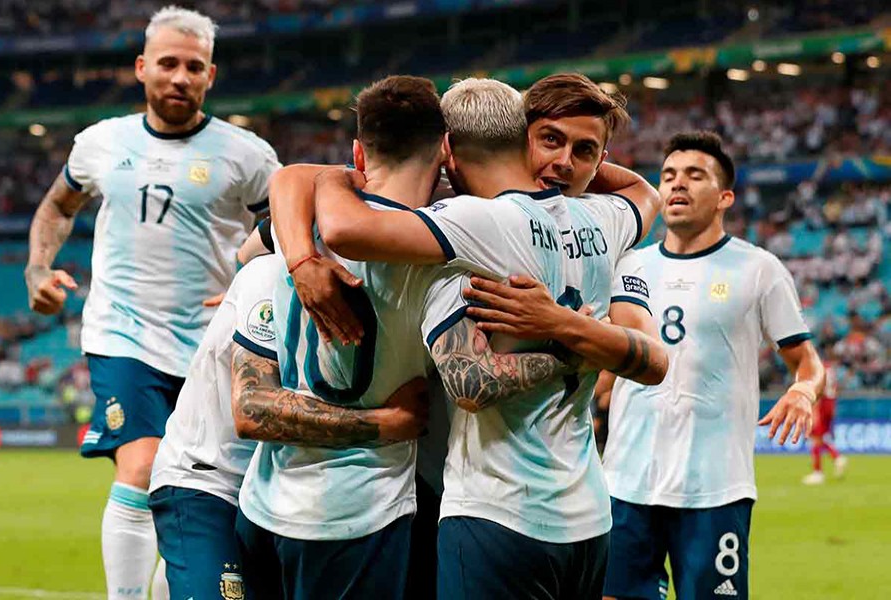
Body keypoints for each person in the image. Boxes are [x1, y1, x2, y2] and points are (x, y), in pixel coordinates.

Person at [305, 77, 667, 599]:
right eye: (551, 141)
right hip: (587, 514)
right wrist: (575, 159)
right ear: (522, 138)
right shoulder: (605, 219)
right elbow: (643, 191)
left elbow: (344, 229)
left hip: (498, 513)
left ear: (445, 146)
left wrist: (333, 178)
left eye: (580, 151)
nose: (564, 161)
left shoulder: (474, 222)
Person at [23, 7, 280, 598]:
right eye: (167, 63)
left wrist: (249, 271)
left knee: (193, 489)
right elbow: (58, 206)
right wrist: (38, 266)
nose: (180, 77)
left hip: (211, 343)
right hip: (123, 334)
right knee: (142, 469)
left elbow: (288, 225)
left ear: (211, 75)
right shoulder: (99, 143)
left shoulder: (247, 155)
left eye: (194, 67)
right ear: (142, 68)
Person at [595, 132, 824, 600]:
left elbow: (808, 363)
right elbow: (610, 367)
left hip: (714, 490)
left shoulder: (758, 269)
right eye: (669, 176)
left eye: (694, 176)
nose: (677, 185)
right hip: (625, 482)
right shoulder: (629, 267)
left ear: (725, 197)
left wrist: (803, 391)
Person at [148, 244, 431, 600]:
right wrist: (383, 424)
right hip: (209, 477)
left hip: (272, 485)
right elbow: (253, 409)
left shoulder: (384, 280)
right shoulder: (269, 275)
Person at [802, 353, 847, 484]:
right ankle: (836, 457)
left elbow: (818, 390)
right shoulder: (830, 368)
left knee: (815, 438)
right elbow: (835, 388)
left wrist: (815, 410)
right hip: (831, 403)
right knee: (821, 437)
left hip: (822, 404)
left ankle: (818, 473)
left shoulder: (817, 368)